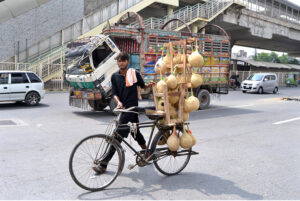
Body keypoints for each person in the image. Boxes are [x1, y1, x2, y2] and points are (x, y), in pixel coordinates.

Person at [93, 52, 154, 174]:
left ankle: (104, 164)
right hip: (123, 109)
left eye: (123, 60)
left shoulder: (134, 74)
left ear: (127, 62)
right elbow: (114, 93)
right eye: (119, 61)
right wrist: (118, 102)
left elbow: (142, 85)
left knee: (117, 136)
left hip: (132, 109)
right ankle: (147, 152)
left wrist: (149, 85)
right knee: (135, 133)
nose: (121, 63)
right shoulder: (114, 76)